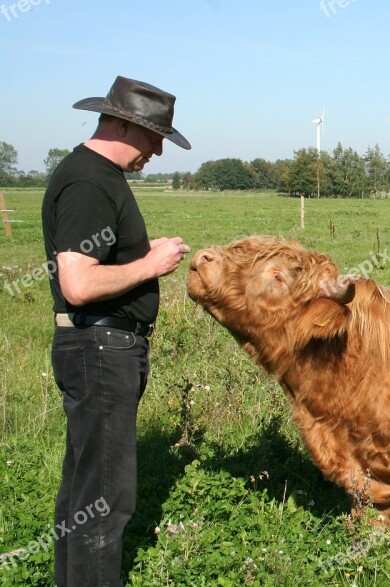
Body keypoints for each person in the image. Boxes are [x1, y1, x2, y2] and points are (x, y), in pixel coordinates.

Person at [41, 75, 192, 586]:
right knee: (105, 500)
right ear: (126, 125)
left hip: (97, 346)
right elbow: (78, 283)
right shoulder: (89, 181)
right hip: (101, 349)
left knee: (84, 494)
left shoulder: (96, 175)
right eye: (154, 139)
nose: (157, 152)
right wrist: (151, 265)